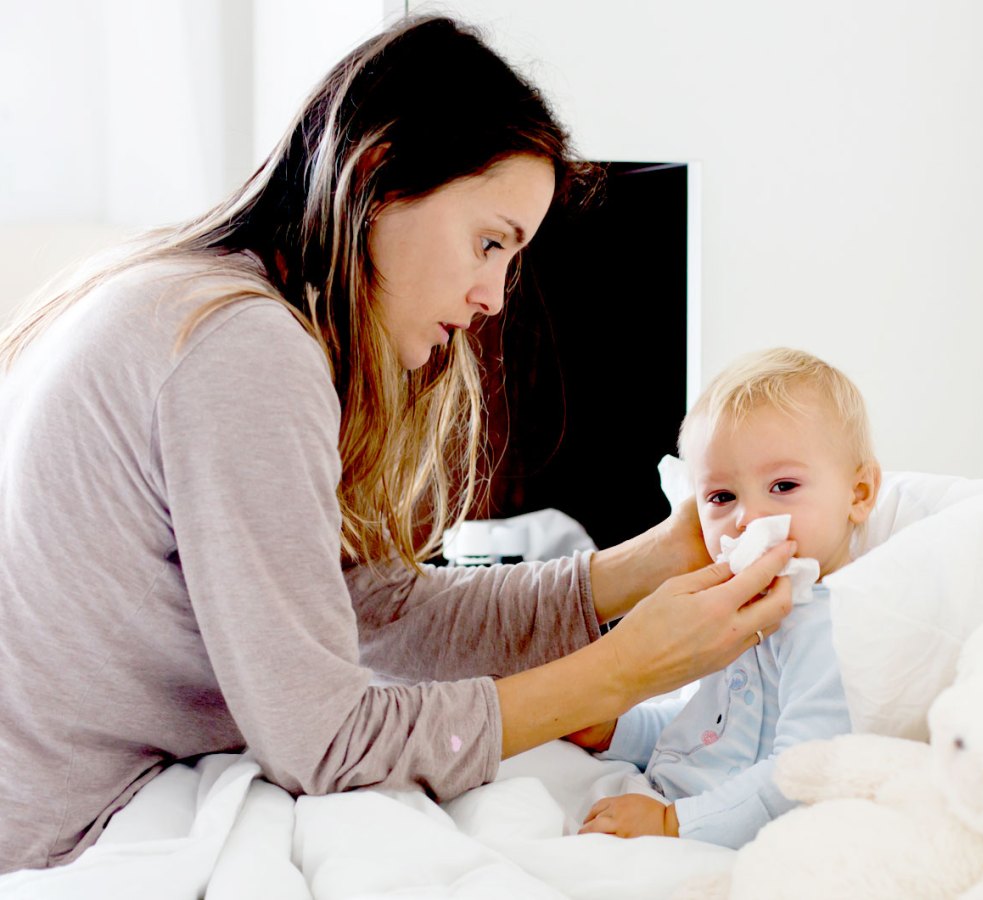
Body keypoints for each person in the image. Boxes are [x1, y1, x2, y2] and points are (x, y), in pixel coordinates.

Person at [0, 16, 796, 874]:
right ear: (377, 176)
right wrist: (621, 672)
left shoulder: (188, 297)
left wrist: (647, 562)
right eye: (489, 242)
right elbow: (327, 742)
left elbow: (370, 613)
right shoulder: (241, 348)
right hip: (71, 836)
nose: (494, 295)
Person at [572, 347, 882, 848]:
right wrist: (617, 731)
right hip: (664, 798)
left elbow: (799, 776)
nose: (747, 518)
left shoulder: (831, 626)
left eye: (783, 486)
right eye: (722, 497)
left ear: (859, 493)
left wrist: (674, 824)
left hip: (723, 837)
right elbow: (705, 731)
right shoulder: (736, 606)